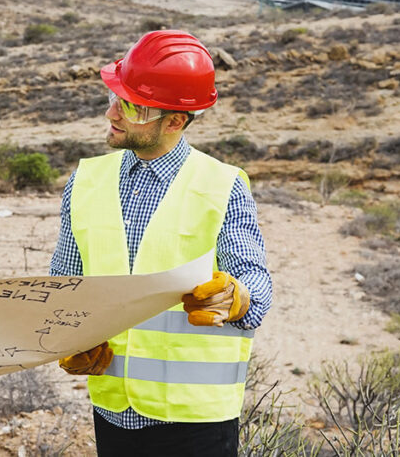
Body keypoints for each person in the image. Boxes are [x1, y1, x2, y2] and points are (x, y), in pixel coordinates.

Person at [50, 29, 272, 457]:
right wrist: (69, 336)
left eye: (130, 105)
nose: (112, 112)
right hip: (113, 411)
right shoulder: (85, 182)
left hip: (195, 423)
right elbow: (64, 285)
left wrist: (236, 298)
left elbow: (257, 287)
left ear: (174, 121)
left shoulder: (221, 186)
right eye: (114, 96)